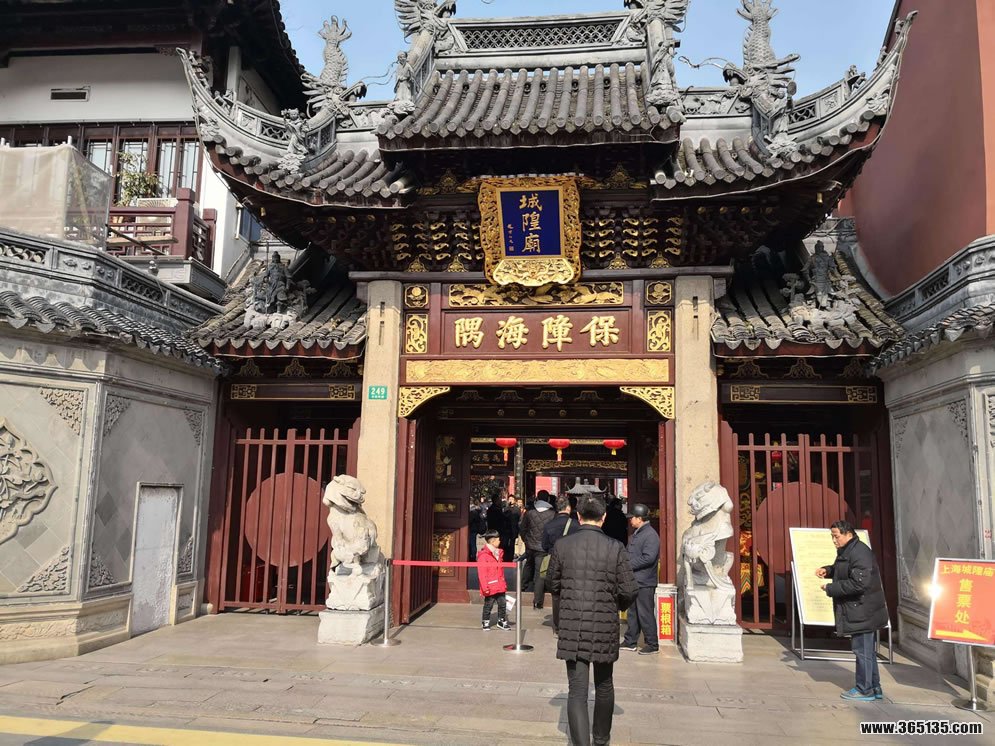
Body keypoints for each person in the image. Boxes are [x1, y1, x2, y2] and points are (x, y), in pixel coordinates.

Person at [547, 494, 637, 746]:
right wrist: (614, 606)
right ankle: (601, 739)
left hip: (572, 623)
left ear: (578, 516)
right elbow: (630, 589)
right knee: (604, 684)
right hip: (604, 625)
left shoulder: (562, 545)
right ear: (603, 517)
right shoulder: (615, 547)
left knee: (577, 689)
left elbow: (552, 583)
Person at [817, 520, 889, 701]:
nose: (834, 540)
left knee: (862, 651)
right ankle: (874, 687)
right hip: (860, 609)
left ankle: (864, 689)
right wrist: (828, 570)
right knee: (867, 652)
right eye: (832, 536)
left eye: (836, 536)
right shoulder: (848, 550)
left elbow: (859, 583)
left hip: (862, 610)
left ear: (848, 534)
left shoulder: (859, 552)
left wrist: (831, 588)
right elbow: (844, 570)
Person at [619, 503, 661, 655]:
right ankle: (630, 641)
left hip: (645, 581)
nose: (630, 520)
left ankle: (652, 643)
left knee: (645, 613)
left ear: (639, 518)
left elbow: (648, 558)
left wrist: (628, 565)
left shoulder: (650, 535)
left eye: (632, 518)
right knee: (633, 613)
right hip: (635, 580)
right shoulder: (638, 533)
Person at [542, 496, 579, 624]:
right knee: (572, 591)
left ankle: (557, 623)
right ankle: (570, 620)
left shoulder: (549, 525)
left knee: (556, 593)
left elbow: (544, 545)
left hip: (554, 561)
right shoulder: (576, 525)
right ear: (568, 508)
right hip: (572, 562)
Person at [519, 490, 556, 595]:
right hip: (543, 547)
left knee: (528, 565)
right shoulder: (552, 514)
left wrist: (526, 540)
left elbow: (523, 528)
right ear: (548, 499)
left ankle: (522, 587)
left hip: (530, 545)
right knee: (540, 570)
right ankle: (538, 595)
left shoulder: (529, 512)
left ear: (537, 498)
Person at [477, 530, 511, 631]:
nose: (500, 541)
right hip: (490, 585)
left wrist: (503, 583)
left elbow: (500, 571)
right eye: (498, 540)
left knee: (503, 604)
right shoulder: (483, 556)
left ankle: (501, 620)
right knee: (488, 605)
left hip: (499, 584)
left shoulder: (498, 553)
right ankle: (485, 621)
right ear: (492, 541)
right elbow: (482, 573)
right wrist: (484, 587)